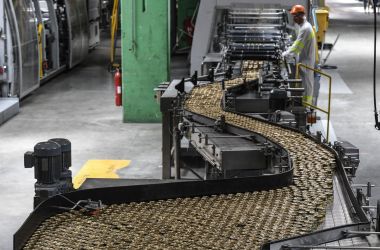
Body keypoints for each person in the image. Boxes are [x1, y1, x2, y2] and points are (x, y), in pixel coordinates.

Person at [282, 5, 318, 106]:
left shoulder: (306, 28)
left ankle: (307, 107)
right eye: (293, 16)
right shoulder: (303, 26)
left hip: (306, 63)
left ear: (302, 15)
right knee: (305, 85)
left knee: (306, 86)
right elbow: (297, 43)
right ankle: (304, 104)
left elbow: (297, 46)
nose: (294, 18)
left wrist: (285, 54)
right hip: (304, 61)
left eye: (295, 16)